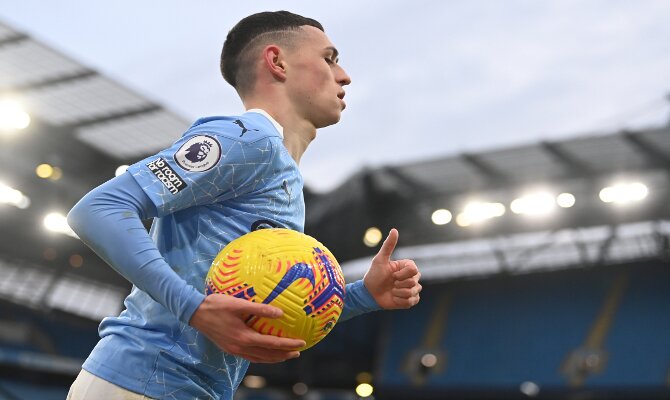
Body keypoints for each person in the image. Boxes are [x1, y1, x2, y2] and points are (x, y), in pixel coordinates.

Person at [66, 10, 422, 400]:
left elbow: (271, 308)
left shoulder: (279, 171)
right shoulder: (248, 139)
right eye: (329, 58)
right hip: (145, 378)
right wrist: (194, 308)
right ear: (277, 62)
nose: (344, 75)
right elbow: (99, 209)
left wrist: (361, 296)